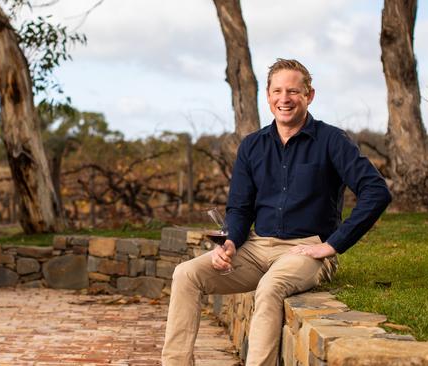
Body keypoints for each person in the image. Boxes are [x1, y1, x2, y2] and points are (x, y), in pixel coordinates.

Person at [161, 58, 392, 366]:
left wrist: (332, 244)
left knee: (269, 288)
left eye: (294, 91)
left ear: (309, 96)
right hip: (256, 248)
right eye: (278, 91)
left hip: (305, 250)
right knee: (186, 274)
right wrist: (229, 243)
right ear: (268, 96)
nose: (285, 99)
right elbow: (239, 209)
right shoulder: (251, 146)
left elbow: (376, 191)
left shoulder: (332, 141)